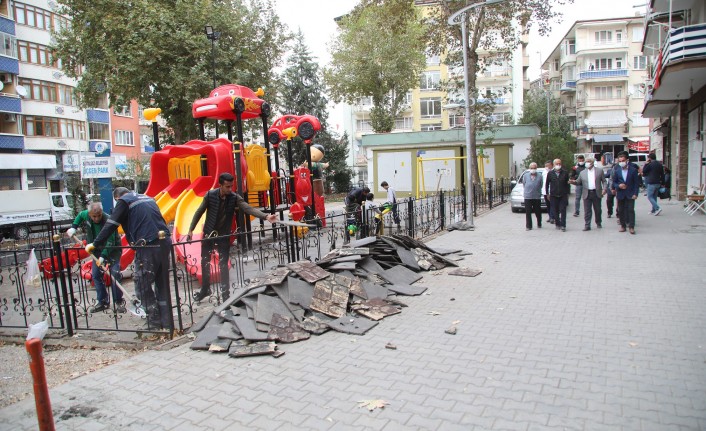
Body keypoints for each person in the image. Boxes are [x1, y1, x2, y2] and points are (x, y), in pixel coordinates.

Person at [88, 187, 172, 330]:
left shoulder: (124, 201)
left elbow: (111, 225)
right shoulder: (146, 197)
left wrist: (95, 244)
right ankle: (167, 320)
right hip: (164, 242)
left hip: (148, 245)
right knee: (161, 282)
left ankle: (154, 320)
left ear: (117, 198)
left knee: (142, 284)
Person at [187, 172, 278, 302]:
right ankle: (205, 289)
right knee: (205, 261)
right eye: (227, 187)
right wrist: (190, 229)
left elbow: (248, 208)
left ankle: (226, 294)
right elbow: (199, 211)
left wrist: (266, 216)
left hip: (224, 234)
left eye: (231, 186)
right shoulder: (210, 195)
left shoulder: (234, 197)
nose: (230, 189)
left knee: (223, 264)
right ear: (220, 185)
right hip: (209, 233)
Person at [66, 202, 124, 313]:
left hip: (112, 250)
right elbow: (79, 216)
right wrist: (74, 227)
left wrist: (103, 256)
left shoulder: (108, 220)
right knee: (96, 275)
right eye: (94, 216)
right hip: (95, 249)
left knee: (115, 274)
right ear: (90, 213)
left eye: (98, 215)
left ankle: (118, 301)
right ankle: (102, 301)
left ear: (102, 213)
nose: (96, 218)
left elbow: (111, 241)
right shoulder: (86, 214)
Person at [573, 157, 607, 231]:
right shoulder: (583, 172)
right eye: (586, 161)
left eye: (588, 161)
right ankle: (587, 225)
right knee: (587, 211)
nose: (587, 163)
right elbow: (578, 182)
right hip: (587, 193)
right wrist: (572, 182)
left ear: (592, 163)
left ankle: (598, 222)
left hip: (596, 192)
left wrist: (604, 189)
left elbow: (604, 181)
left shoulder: (599, 171)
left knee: (597, 210)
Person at [612, 151, 640, 234]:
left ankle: (631, 227)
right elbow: (614, 182)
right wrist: (618, 186)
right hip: (620, 193)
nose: (621, 163)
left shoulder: (633, 170)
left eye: (623, 161)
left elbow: (636, 183)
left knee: (631, 210)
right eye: (619, 161)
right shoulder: (617, 170)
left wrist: (635, 193)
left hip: (630, 193)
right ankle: (623, 226)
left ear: (627, 160)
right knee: (621, 210)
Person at [545, 158, 570, 232]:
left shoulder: (565, 173)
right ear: (553, 165)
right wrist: (547, 193)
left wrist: (567, 193)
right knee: (555, 210)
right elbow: (547, 184)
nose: (558, 165)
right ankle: (557, 224)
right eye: (557, 164)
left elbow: (567, 184)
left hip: (563, 195)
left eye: (559, 164)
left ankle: (563, 225)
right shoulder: (550, 173)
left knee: (563, 210)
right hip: (553, 195)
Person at [522, 162, 543, 231]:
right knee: (528, 211)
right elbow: (524, 184)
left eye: (534, 168)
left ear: (536, 168)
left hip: (536, 196)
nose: (533, 169)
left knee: (537, 211)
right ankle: (528, 226)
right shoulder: (525, 175)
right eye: (531, 168)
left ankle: (539, 223)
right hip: (528, 196)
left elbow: (541, 185)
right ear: (529, 168)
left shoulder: (540, 176)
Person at [602, 153, 616, 219]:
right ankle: (609, 212)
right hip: (610, 188)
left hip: (618, 188)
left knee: (620, 202)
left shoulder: (620, 171)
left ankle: (618, 213)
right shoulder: (610, 171)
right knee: (609, 201)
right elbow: (606, 176)